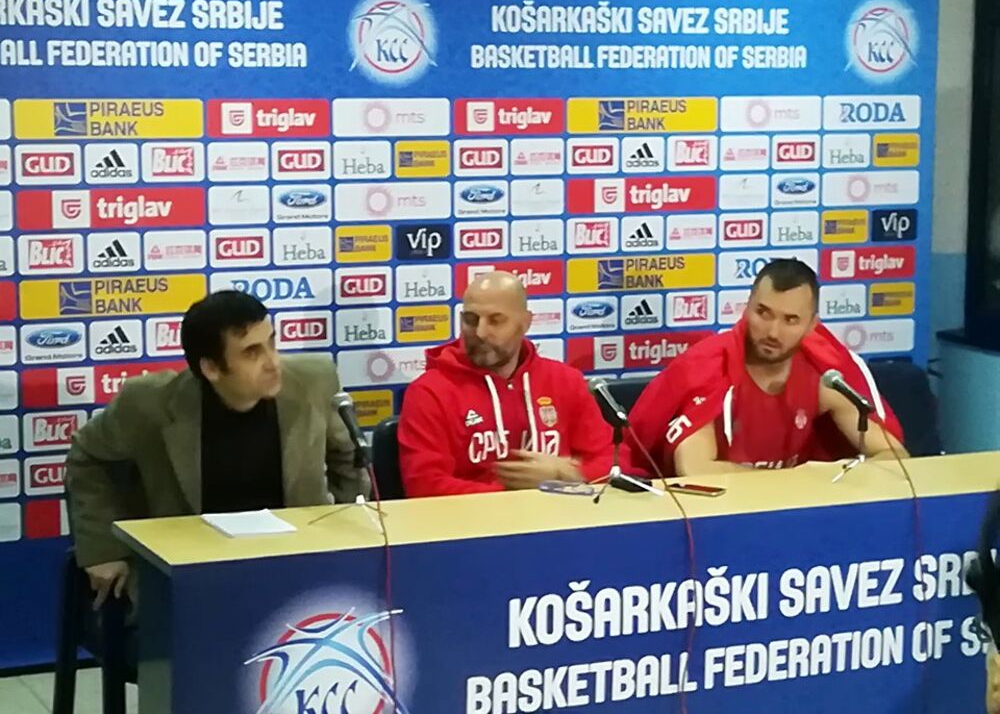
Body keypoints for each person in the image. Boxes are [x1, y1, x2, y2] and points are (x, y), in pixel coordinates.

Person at [66, 290, 367, 608]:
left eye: (272, 343)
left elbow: (349, 458)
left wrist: (342, 535)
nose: (273, 362)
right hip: (191, 574)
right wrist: (103, 550)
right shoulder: (149, 403)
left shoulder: (314, 381)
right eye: (252, 353)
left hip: (299, 567)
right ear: (211, 368)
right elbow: (87, 457)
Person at [628, 259, 907, 476]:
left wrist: (824, 479)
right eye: (763, 313)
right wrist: (797, 481)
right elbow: (695, 469)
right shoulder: (713, 371)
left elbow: (895, 457)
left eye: (790, 320)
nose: (773, 332)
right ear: (746, 308)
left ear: (812, 325)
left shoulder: (825, 377)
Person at [398, 271, 626, 496]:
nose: (480, 332)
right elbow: (425, 486)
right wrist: (519, 492)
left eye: (496, 321)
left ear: (525, 323)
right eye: (470, 320)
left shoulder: (565, 381)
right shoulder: (429, 392)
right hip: (473, 518)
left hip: (560, 514)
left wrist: (564, 475)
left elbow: (618, 460)